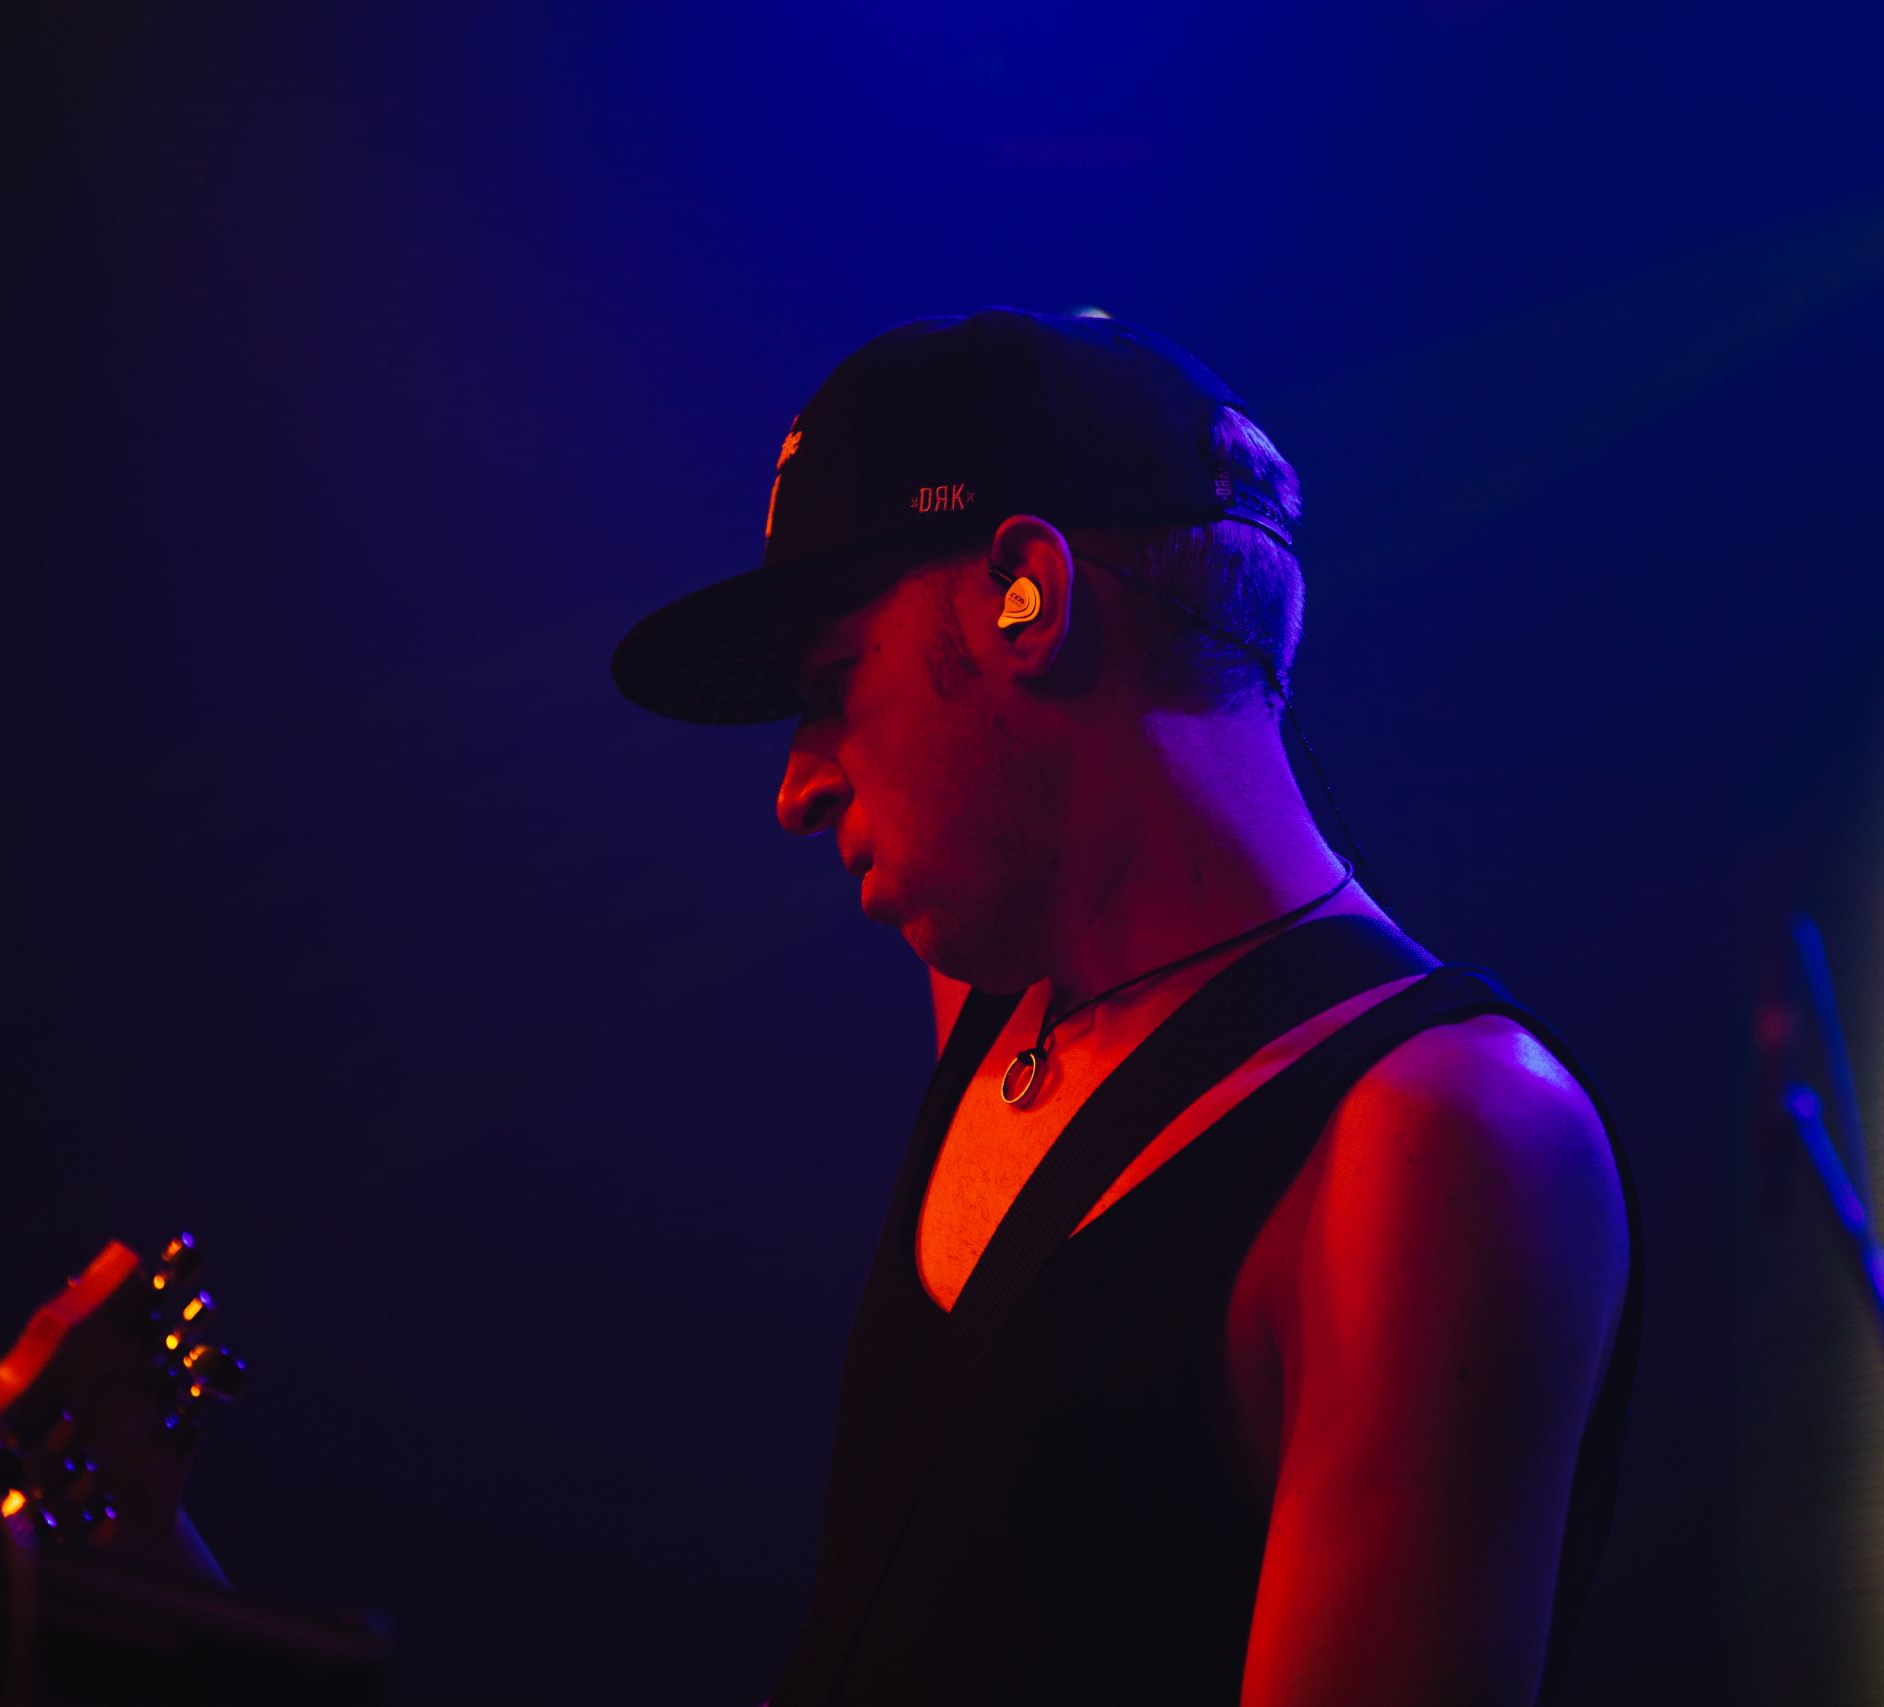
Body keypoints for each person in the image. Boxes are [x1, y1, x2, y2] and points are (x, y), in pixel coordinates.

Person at [612, 308, 1640, 1707]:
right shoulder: (999, 990)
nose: (797, 786)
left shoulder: (1444, 1135)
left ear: (1025, 596)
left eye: (834, 684)